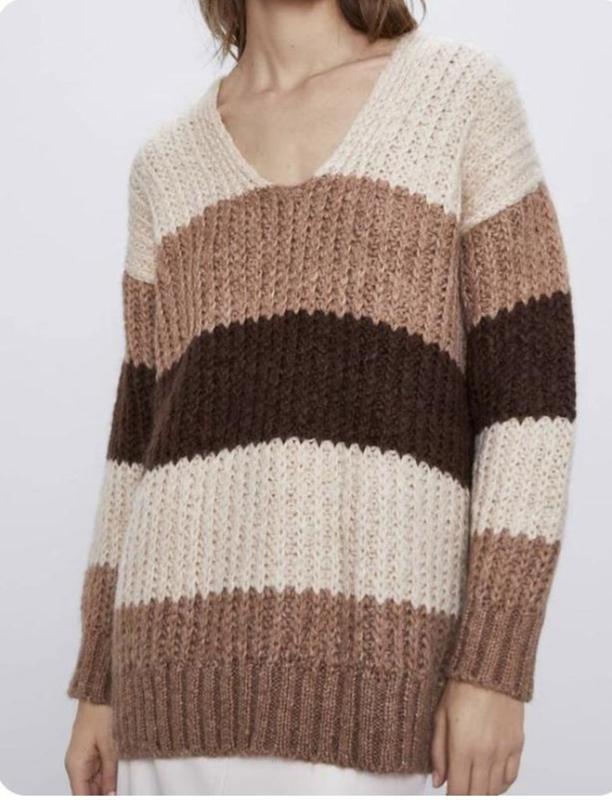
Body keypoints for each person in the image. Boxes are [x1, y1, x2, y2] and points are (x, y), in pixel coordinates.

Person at [64, 0, 576, 795]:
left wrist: (494, 664)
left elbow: (531, 408)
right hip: (170, 675)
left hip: (381, 673)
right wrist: (99, 681)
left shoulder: (461, 97)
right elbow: (135, 440)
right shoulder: (164, 166)